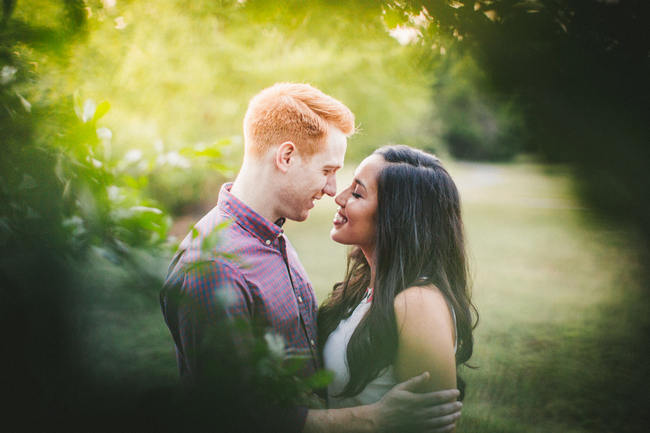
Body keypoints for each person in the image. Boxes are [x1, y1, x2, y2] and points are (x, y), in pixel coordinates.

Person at [160, 83, 462, 433]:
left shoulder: (270, 237)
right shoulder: (216, 268)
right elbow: (231, 416)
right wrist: (372, 418)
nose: (334, 190)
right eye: (327, 171)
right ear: (286, 157)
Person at [319, 145, 476, 414]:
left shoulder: (418, 304)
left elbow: (432, 426)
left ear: (395, 217)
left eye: (357, 193)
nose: (340, 197)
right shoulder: (367, 285)